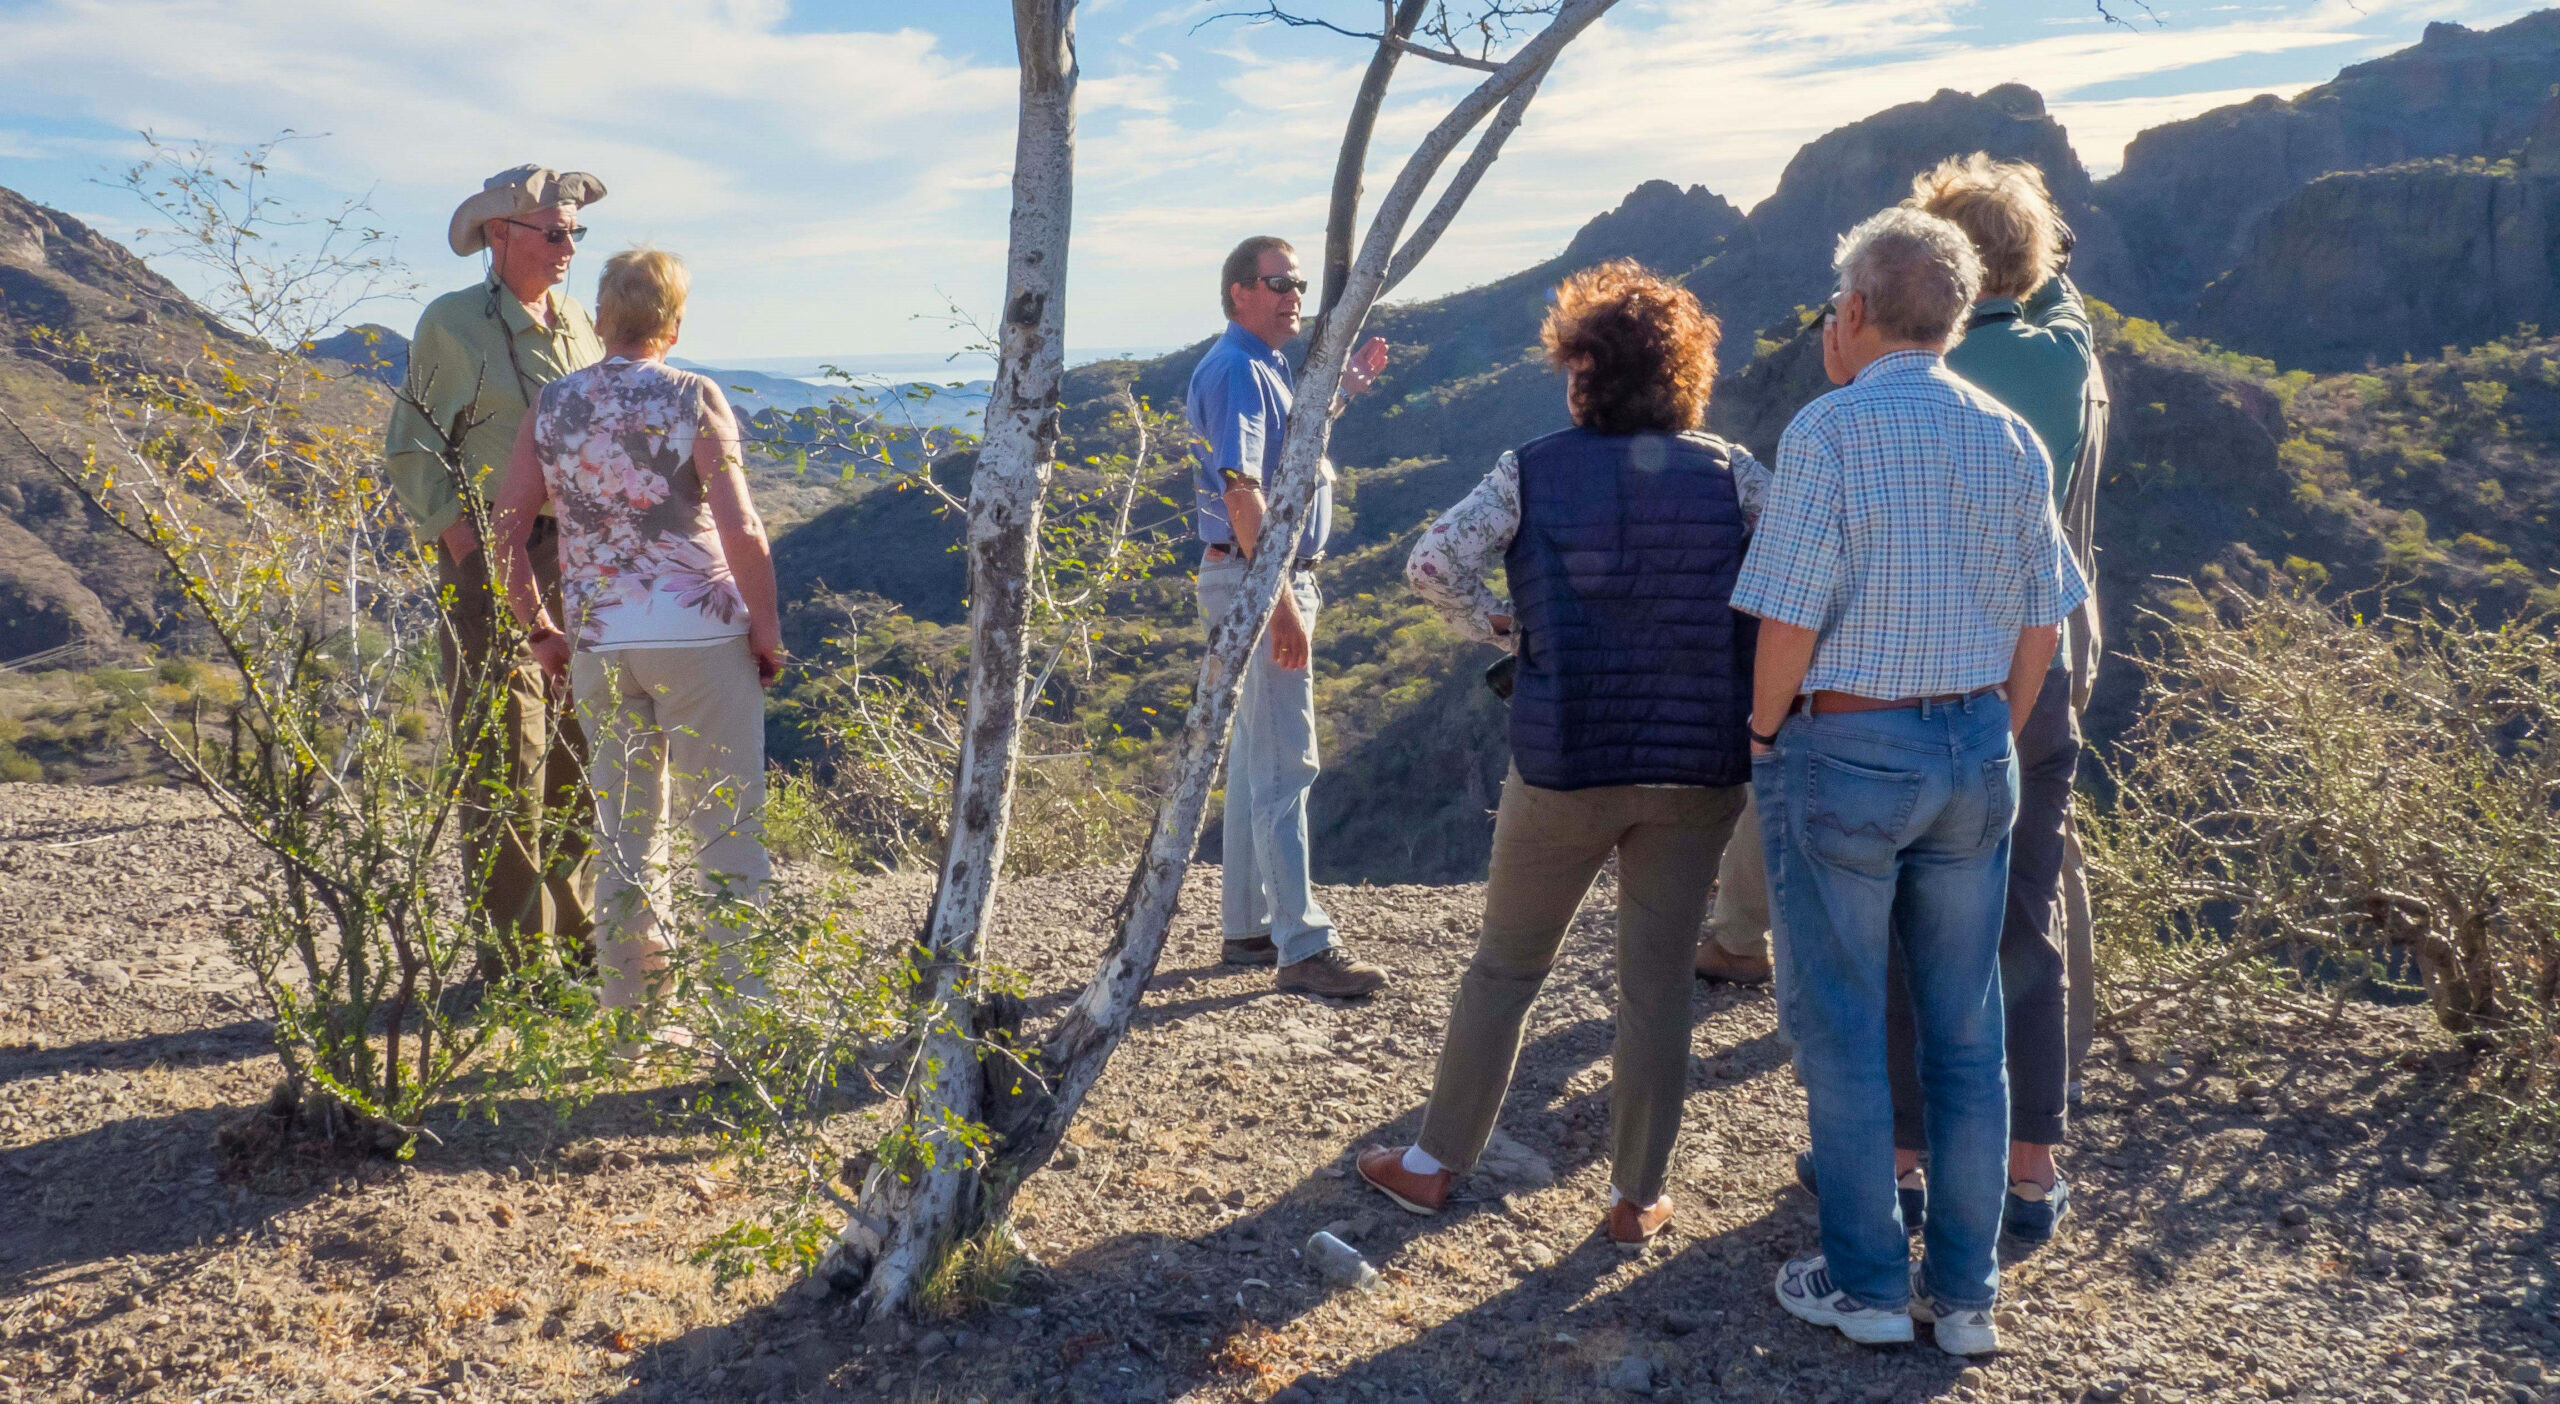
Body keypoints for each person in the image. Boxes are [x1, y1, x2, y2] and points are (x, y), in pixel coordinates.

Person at [1738, 208, 2086, 1355]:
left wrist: (1763, 727)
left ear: (1851, 313)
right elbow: (2045, 615)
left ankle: (1870, 1287)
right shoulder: (2008, 436)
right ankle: (1967, 1298)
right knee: (1965, 1024)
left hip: (1849, 749)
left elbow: (1787, 614)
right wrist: (1995, 726)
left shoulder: (1827, 432)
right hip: (1977, 752)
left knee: (1840, 1024)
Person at [1362, 261, 1766, 1245]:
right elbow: (1784, 597)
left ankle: (1430, 1165)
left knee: (1505, 967)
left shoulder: (1529, 470)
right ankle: (1634, 1199)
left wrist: (1507, 627)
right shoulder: (1736, 475)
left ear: (1585, 370)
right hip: (1695, 770)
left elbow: (1429, 564)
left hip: (1564, 759)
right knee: (1656, 982)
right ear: (1681, 371)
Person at [491, 247, 785, 1019]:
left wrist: (541, 631)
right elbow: (744, 528)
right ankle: (743, 1027)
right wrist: (768, 633)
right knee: (725, 832)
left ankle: (635, 1019)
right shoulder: (692, 395)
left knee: (625, 835)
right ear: (674, 322)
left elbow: (507, 528)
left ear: (601, 319)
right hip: (698, 640)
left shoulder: (552, 404)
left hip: (601, 643)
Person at [383, 165, 607, 978]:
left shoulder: (580, 321)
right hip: (494, 555)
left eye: (576, 233)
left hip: (584, 564)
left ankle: (581, 945)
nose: (568, 247)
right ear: (500, 235)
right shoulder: (452, 323)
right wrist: (471, 557)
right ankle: (519, 965)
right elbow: (410, 449)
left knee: (580, 751)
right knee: (506, 754)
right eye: (554, 232)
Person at [1187, 235, 1392, 999]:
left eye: (1298, 283)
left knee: (1254, 761)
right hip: (1256, 577)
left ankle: (1249, 924)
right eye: (1278, 283)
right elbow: (1241, 488)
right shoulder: (1239, 367)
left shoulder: (1263, 366)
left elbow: (1283, 445)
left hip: (1253, 575)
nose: (1294, 296)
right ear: (1239, 290)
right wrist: (1277, 605)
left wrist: (1344, 392)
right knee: (1286, 764)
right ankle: (1302, 945)